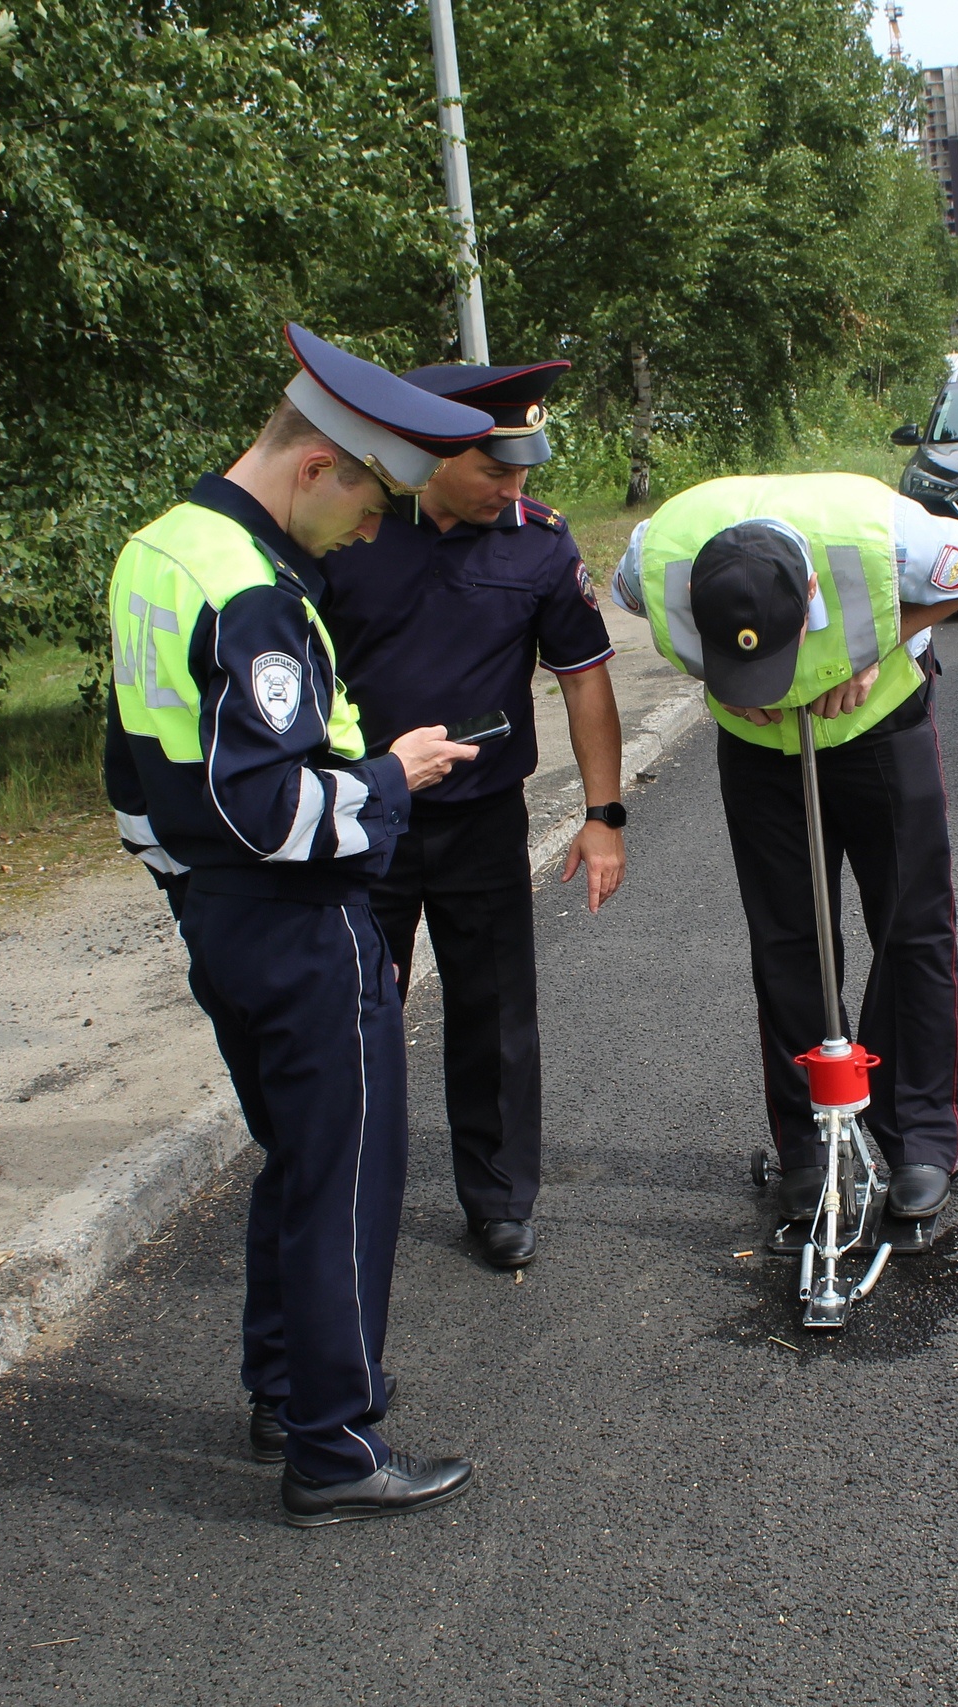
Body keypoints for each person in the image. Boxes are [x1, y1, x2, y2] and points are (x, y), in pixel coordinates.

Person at [103, 323, 495, 1525]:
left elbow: (132, 773)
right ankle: (333, 1443)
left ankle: (286, 1387)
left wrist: (195, 895)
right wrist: (389, 780)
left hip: (219, 916)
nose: (377, 529)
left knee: (296, 1159)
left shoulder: (161, 548)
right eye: (375, 501)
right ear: (320, 465)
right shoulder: (255, 591)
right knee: (349, 1175)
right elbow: (272, 806)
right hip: (298, 915)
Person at [612, 473, 958, 1239]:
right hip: (759, 754)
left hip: (880, 727)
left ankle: (923, 1137)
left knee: (911, 926)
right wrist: (727, 678)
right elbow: (631, 602)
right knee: (786, 939)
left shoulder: (887, 537)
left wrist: (879, 643)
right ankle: (807, 1147)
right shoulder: (655, 558)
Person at [318, 359, 623, 1271]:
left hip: (482, 818)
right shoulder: (352, 531)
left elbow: (587, 683)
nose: (514, 486)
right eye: (496, 468)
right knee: (354, 1012)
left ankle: (497, 1198)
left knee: (493, 1014)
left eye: (525, 469)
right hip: (361, 819)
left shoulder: (538, 545)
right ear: (436, 451)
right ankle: (346, 1193)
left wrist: (604, 812)